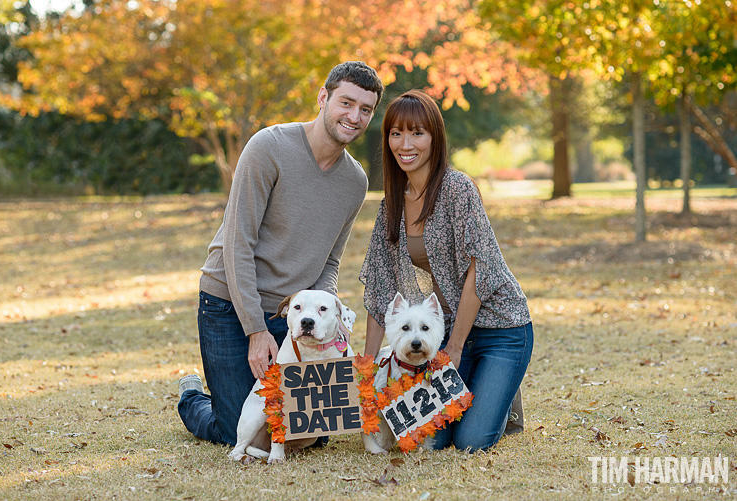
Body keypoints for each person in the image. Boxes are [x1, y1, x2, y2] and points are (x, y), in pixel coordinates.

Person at [178, 61, 384, 446]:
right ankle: (192, 396)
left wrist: (326, 317)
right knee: (239, 432)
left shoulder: (355, 181)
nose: (354, 117)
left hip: (294, 315)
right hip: (230, 304)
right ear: (323, 98)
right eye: (346, 103)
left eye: (366, 110)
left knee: (310, 435)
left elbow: (330, 263)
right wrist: (256, 330)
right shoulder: (268, 147)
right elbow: (238, 244)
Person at [359, 90, 533, 451]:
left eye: (417, 133)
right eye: (395, 133)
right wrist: (367, 371)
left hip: (501, 328)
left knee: (471, 440)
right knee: (432, 439)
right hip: (450, 328)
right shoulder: (392, 202)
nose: (405, 144)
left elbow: (479, 269)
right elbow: (379, 287)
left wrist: (454, 347)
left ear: (435, 138)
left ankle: (502, 395)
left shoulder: (458, 188)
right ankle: (482, 386)